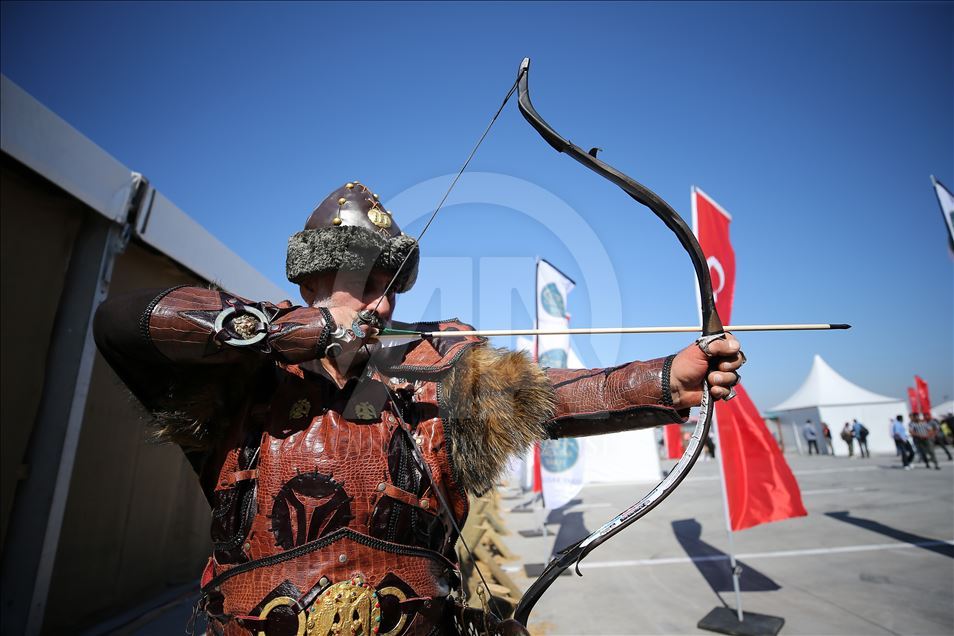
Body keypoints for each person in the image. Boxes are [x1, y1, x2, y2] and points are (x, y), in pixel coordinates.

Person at [93, 182, 745, 635]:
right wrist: (288, 332)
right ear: (312, 280)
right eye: (364, 283)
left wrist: (666, 379)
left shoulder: (432, 371)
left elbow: (549, 397)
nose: (381, 305)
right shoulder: (240, 373)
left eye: (391, 287)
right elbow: (122, 324)